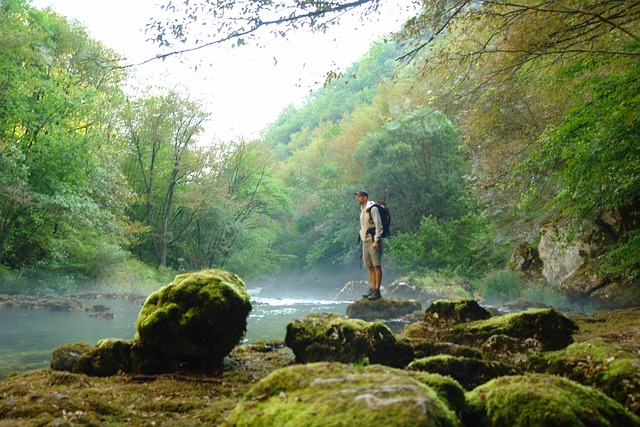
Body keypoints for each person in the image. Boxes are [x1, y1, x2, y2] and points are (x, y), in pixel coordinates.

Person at [355, 190, 383, 300]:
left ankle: (377, 290)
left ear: (365, 198)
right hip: (365, 240)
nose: (357, 198)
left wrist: (376, 240)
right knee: (369, 266)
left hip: (372, 240)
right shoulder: (362, 209)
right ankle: (372, 288)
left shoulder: (373, 209)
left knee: (377, 265)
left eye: (360, 196)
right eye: (357, 196)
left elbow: (378, 225)